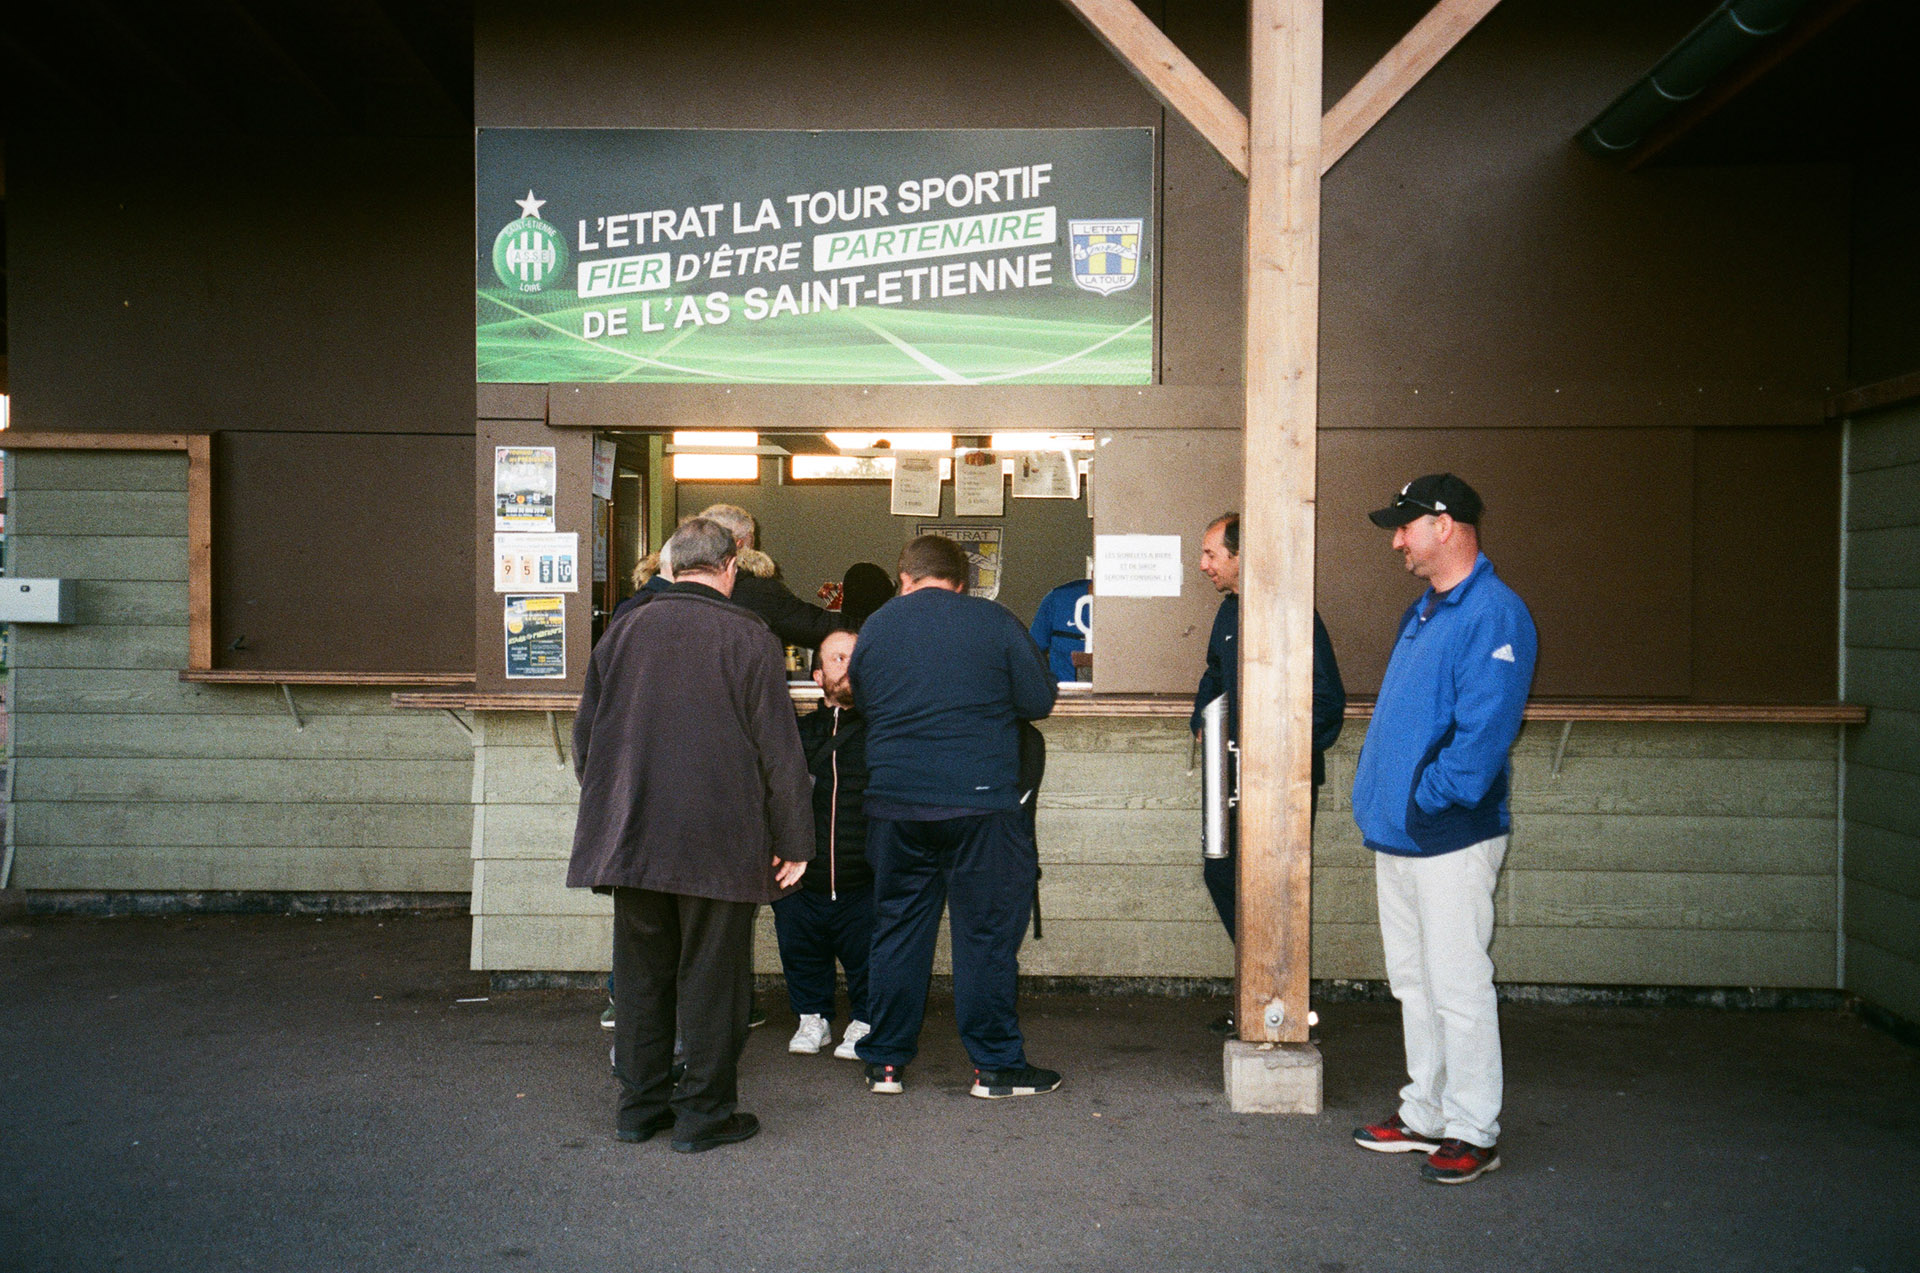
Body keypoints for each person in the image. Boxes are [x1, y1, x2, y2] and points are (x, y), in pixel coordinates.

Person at [566, 517, 813, 1154]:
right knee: (712, 978)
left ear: (671, 566)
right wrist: (795, 840)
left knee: (641, 974)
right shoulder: (749, 636)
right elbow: (779, 753)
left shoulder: (623, 630)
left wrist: (613, 804)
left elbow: (586, 739)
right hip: (719, 839)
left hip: (632, 834)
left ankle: (637, 1108)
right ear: (729, 568)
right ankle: (703, 1115)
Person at [1349, 474, 1536, 1186]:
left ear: (1445, 523)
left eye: (1405, 526)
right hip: (1400, 833)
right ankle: (1425, 1111)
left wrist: (1429, 800)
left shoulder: (1495, 612)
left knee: (1458, 984)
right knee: (1413, 982)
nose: (1397, 540)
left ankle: (1472, 1128)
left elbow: (1483, 734)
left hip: (1448, 833)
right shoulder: (1424, 610)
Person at [849, 534, 1060, 1098]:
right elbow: (1038, 702)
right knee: (985, 937)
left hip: (895, 805)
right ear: (961, 582)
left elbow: (865, 701)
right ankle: (995, 1068)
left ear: (905, 577)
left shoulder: (876, 627)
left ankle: (885, 1063)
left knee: (896, 930)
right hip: (980, 804)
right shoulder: (994, 622)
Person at [1190, 512, 1344, 1033]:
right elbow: (1216, 674)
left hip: (1280, 783)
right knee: (1222, 873)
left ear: (1241, 555)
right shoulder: (1228, 613)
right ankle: (1260, 992)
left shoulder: (1289, 613)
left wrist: (1279, 758)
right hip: (1228, 774)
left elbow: (1326, 700)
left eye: (1212, 553)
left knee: (1273, 890)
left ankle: (1280, 1002)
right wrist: (1201, 720)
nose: (1203, 564)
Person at [775, 628, 876, 1061]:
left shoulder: (886, 732)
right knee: (801, 952)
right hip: (804, 881)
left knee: (870, 961)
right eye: (837, 659)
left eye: (857, 658)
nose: (848, 667)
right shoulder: (795, 733)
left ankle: (865, 1021)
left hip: (864, 878)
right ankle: (811, 1017)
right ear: (817, 676)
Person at [695, 503, 843, 647]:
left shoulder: (683, 580)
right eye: (752, 540)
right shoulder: (754, 588)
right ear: (739, 544)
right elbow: (813, 627)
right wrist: (865, 626)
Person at [1029, 578, 1091, 682]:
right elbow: (1030, 655)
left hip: (1118, 694)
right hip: (1063, 693)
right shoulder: (1059, 599)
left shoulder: (1126, 606)